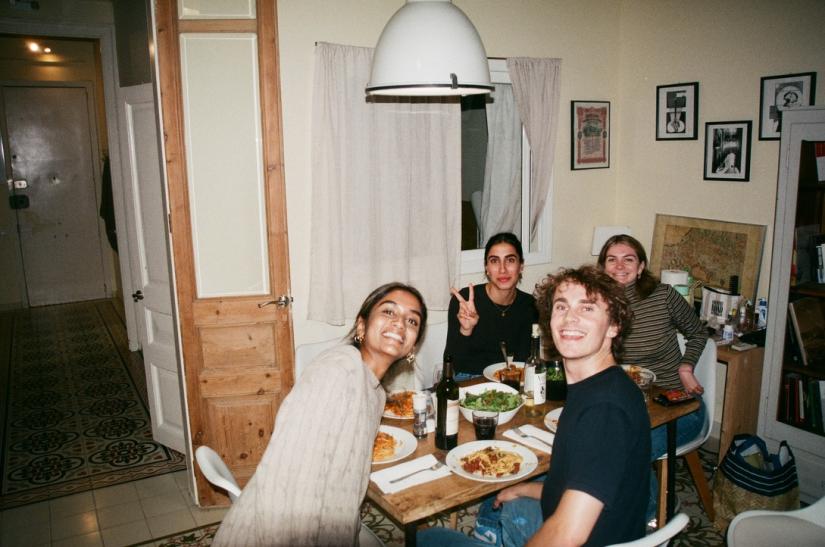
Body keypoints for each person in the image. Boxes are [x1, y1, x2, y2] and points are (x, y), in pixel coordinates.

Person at [419, 266, 650, 546]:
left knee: (429, 539)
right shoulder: (604, 385)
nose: (570, 318)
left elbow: (567, 535)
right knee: (512, 503)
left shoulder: (605, 410)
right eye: (561, 306)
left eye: (587, 308)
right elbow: (581, 480)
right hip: (600, 525)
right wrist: (525, 489)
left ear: (614, 325)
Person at [213, 282, 427, 546]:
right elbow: (289, 485)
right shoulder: (338, 372)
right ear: (361, 326)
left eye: (412, 321)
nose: (399, 324)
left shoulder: (374, 392)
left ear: (412, 347)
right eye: (388, 312)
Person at [597, 234, 709, 520]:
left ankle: (654, 516)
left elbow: (698, 332)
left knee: (629, 451)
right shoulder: (598, 304)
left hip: (678, 405)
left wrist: (686, 368)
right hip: (629, 406)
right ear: (602, 267)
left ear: (641, 265)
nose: (620, 266)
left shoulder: (663, 296)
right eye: (612, 259)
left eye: (628, 259)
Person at [445, 232, 538, 379]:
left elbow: (525, 362)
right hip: (469, 380)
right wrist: (466, 330)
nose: (502, 269)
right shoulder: (465, 300)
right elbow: (453, 364)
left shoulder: (529, 305)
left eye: (510, 260)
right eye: (494, 261)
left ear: (521, 266)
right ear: (487, 268)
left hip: (511, 381)